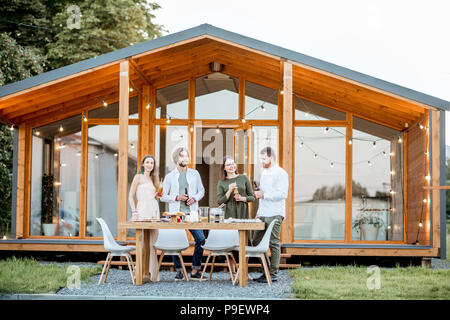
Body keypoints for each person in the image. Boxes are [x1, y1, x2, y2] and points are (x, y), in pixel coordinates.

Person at [160, 147, 205, 280]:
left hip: (192, 213)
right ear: (176, 158)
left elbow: (201, 191)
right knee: (175, 241)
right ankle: (179, 270)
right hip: (176, 214)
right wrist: (176, 197)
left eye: (186, 156)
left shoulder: (195, 174)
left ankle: (195, 270)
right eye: (181, 156)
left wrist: (194, 198)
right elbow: (162, 196)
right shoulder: (170, 176)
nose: (185, 158)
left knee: (201, 239)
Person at [252, 146, 288, 283]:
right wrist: (258, 213)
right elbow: (262, 195)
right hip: (263, 213)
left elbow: (283, 194)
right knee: (256, 242)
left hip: (275, 213)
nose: (262, 161)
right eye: (260, 158)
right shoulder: (264, 173)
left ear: (271, 158)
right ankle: (266, 270)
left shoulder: (281, 173)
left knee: (273, 243)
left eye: (264, 158)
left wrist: (264, 195)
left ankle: (273, 274)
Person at [217, 156, 255, 275]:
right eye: (228, 165)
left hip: (242, 213)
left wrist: (242, 198)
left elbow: (252, 197)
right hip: (229, 214)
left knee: (244, 241)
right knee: (231, 242)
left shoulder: (243, 178)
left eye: (233, 163)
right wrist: (229, 191)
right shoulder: (222, 182)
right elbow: (219, 201)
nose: (232, 166)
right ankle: (232, 273)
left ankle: (244, 272)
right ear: (224, 168)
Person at [128, 155, 161, 282]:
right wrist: (134, 212)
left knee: (152, 243)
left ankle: (151, 274)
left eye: (152, 163)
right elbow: (131, 196)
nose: (149, 165)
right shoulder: (138, 177)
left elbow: (153, 196)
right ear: (143, 164)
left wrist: (157, 196)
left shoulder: (154, 178)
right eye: (147, 162)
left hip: (153, 210)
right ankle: (139, 272)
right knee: (141, 242)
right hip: (142, 210)